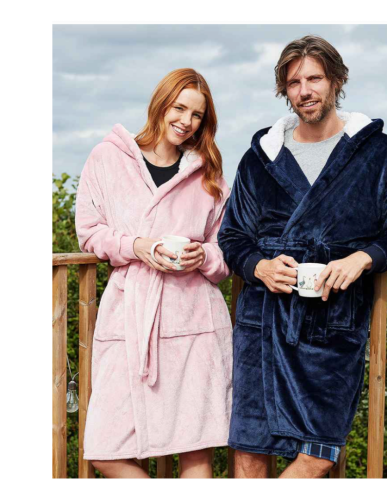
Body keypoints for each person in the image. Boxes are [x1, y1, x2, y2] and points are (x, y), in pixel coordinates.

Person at [218, 35, 387, 478]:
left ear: (337, 80)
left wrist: (363, 258)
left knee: (319, 453)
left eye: (314, 79)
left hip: (332, 323)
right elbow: (232, 236)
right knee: (251, 449)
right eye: (294, 82)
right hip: (264, 322)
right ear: (284, 90)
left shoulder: (377, 153)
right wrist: (258, 266)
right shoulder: (260, 158)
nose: (304, 91)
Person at [75, 68, 233, 478]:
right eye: (179, 108)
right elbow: (88, 231)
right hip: (130, 318)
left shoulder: (207, 173)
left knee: (195, 450)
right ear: (160, 105)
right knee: (104, 449)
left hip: (193, 321)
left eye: (197, 115)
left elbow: (226, 251)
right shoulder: (109, 158)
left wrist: (204, 256)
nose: (186, 121)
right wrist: (137, 247)